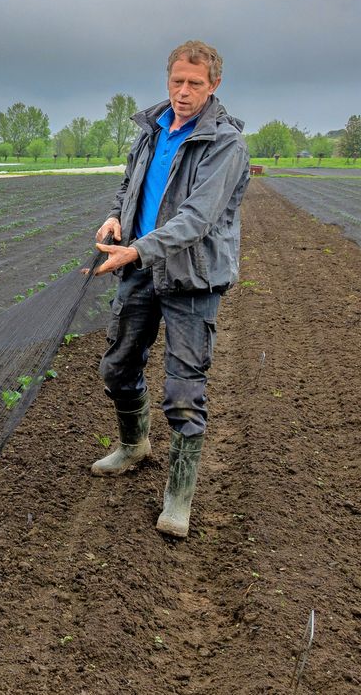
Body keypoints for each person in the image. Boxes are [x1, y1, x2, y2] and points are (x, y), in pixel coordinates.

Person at [89, 40, 250, 538]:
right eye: (177, 81)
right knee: (117, 366)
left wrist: (136, 250)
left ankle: (178, 498)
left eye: (195, 84)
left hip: (192, 276)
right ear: (168, 79)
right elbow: (129, 184)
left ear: (214, 85)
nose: (183, 92)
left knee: (183, 391)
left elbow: (197, 219)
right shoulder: (151, 130)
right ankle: (134, 445)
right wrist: (118, 216)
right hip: (140, 265)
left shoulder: (224, 145)